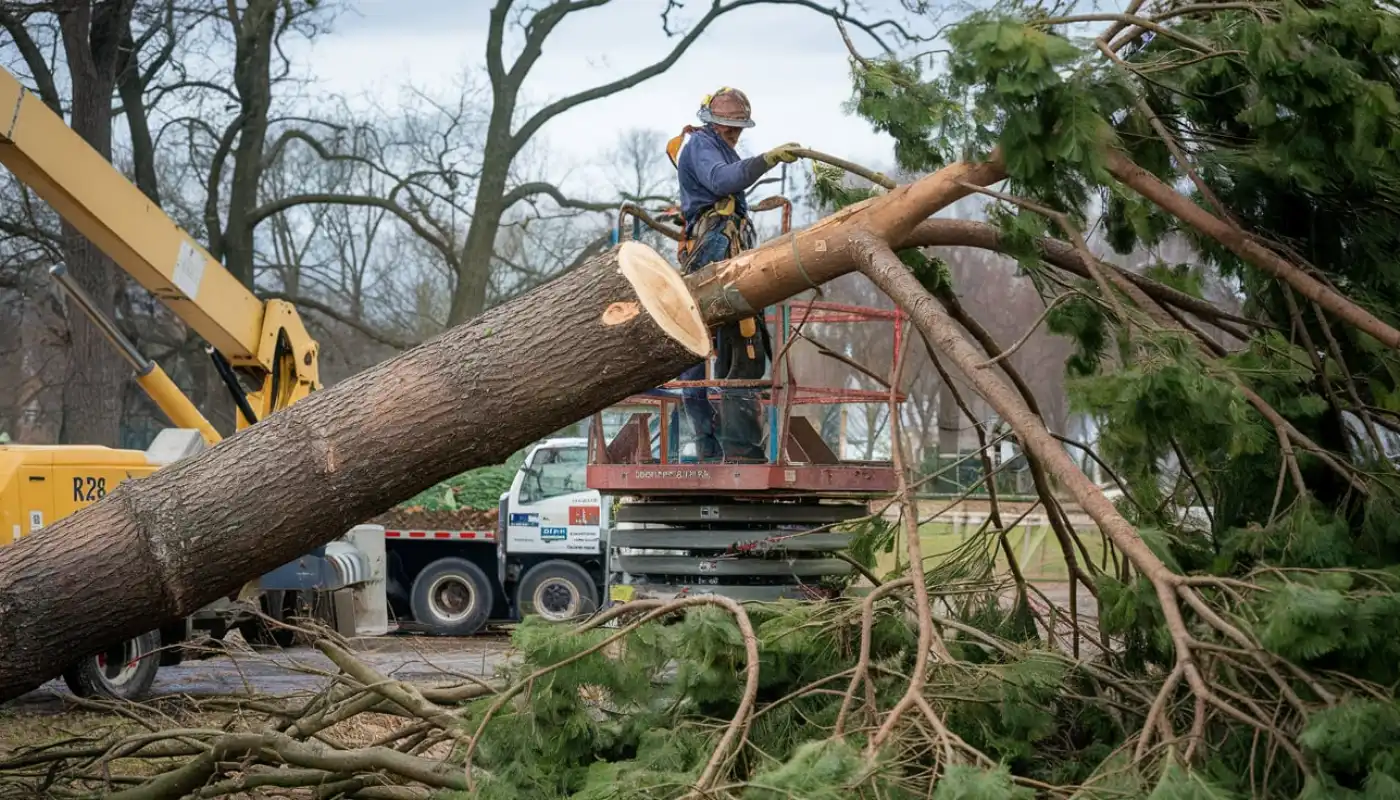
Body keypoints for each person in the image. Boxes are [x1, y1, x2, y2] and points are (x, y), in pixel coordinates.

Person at [665, 87, 801, 462]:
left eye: (739, 128)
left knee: (743, 341)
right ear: (712, 121)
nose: (735, 133)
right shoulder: (701, 146)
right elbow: (724, 181)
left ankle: (735, 445)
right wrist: (767, 160)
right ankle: (712, 444)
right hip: (712, 251)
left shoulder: (722, 147)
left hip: (727, 248)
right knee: (706, 344)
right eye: (729, 127)